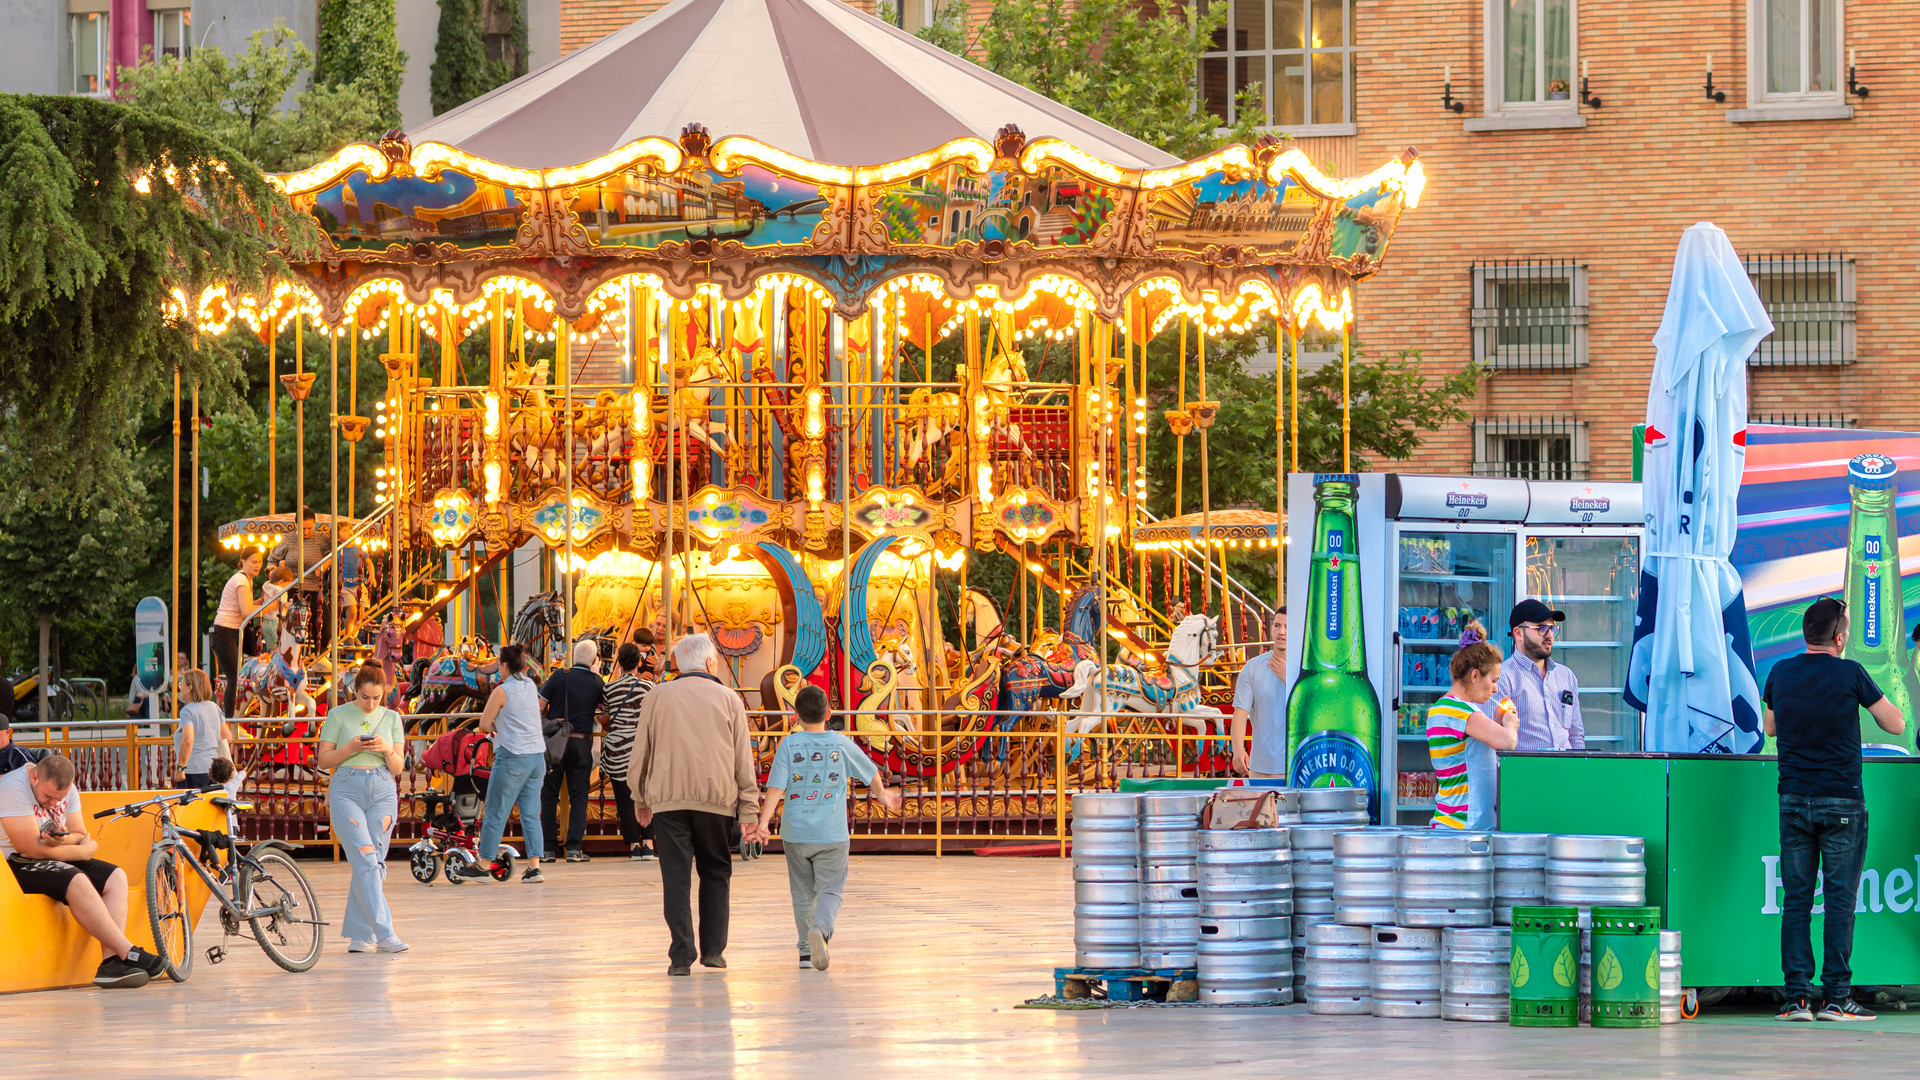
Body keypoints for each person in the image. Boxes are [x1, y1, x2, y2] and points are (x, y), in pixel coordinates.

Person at [1765, 596, 1904, 1023]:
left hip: (1793, 801)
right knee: (1840, 902)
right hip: (1842, 800)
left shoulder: (1780, 672)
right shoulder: (1851, 673)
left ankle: (1796, 1000)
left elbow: (1770, 727)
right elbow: (1896, 724)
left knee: (1796, 901)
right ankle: (1837, 998)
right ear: (1839, 638)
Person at [628, 633, 761, 976]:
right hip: (716, 800)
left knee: (675, 877)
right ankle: (714, 950)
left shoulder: (656, 695)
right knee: (716, 871)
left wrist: (640, 798)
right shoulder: (729, 698)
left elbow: (640, 752)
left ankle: (681, 956)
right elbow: (743, 761)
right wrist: (748, 811)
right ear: (709, 663)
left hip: (668, 802)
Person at [754, 685, 902, 971]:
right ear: (829, 714)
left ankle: (806, 954)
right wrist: (883, 795)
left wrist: (763, 823)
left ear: (795, 716)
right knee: (831, 891)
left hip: (795, 833)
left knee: (802, 894)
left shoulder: (788, 744)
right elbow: (869, 772)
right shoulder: (841, 743)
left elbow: (775, 788)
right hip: (832, 834)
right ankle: (821, 929)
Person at [0, 754, 166, 988]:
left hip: (52, 853)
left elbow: (79, 833)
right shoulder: (12, 788)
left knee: (115, 877)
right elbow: (28, 849)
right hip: (12, 864)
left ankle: (110, 964)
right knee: (76, 879)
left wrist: (65, 840)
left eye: (58, 799)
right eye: (47, 797)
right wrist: (82, 851)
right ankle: (127, 951)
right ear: (34, 777)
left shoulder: (65, 789)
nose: (52, 803)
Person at [315, 664, 407, 954]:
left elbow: (398, 767)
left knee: (373, 864)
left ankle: (360, 934)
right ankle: (385, 934)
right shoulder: (338, 715)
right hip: (346, 788)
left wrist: (386, 750)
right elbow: (323, 760)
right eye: (365, 697)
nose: (371, 703)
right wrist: (351, 749)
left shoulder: (392, 718)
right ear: (354, 691)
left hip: (382, 790)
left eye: (377, 698)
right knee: (367, 861)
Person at [451, 644, 547, 884]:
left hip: (513, 757)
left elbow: (484, 724)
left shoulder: (502, 691)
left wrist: (500, 728)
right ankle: (534, 867)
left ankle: (483, 863)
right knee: (530, 814)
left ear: (503, 666)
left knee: (495, 810)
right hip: (537, 758)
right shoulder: (529, 686)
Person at [1427, 621, 1519, 831]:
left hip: (1449, 821)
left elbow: (1468, 751)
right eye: (1493, 681)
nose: (1495, 690)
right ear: (1475, 675)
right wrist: (1509, 723)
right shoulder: (1462, 712)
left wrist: (1496, 721)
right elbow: (1508, 741)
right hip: (1465, 827)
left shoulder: (1441, 709)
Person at [540, 639, 605, 863]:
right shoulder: (597, 682)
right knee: (579, 797)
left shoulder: (559, 675)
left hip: (556, 741)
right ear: (595, 660)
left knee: (549, 794)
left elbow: (539, 706)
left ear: (573, 657)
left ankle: (547, 849)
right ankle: (574, 849)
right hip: (580, 743)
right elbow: (604, 712)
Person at [602, 634, 660, 861]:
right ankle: (648, 843)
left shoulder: (610, 688)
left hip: (618, 749)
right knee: (646, 796)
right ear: (638, 662)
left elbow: (605, 719)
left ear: (620, 662)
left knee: (624, 799)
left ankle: (633, 846)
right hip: (641, 748)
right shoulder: (648, 687)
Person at [1500, 599, 1586, 751]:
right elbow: (1494, 737)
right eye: (1542, 628)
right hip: (1527, 771)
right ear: (1518, 634)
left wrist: (1578, 770)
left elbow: (1576, 734)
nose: (1550, 635)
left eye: (1552, 628)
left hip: (1566, 770)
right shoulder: (1503, 677)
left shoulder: (1566, 676)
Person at [1229, 609, 1287, 777]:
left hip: (1297, 764)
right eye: (1277, 625)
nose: (1281, 632)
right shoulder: (1253, 667)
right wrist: (1238, 750)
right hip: (1261, 766)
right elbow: (1240, 711)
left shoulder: (1304, 669)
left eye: (1286, 626)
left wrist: (1289, 678)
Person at [211, 549, 264, 717]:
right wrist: (270, 606)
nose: (258, 566)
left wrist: (262, 601)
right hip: (225, 631)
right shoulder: (241, 580)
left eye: (260, 562)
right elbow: (247, 611)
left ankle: (235, 717)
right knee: (234, 678)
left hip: (233, 631)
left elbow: (244, 606)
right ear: (243, 562)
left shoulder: (247, 580)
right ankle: (229, 720)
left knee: (238, 676)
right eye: (254, 562)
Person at [172, 670, 231, 791]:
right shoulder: (214, 707)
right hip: (213, 768)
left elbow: (188, 739)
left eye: (181, 683)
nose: (180, 687)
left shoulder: (187, 711)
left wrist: (180, 768)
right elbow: (228, 737)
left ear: (189, 687)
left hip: (193, 770)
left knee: (189, 808)